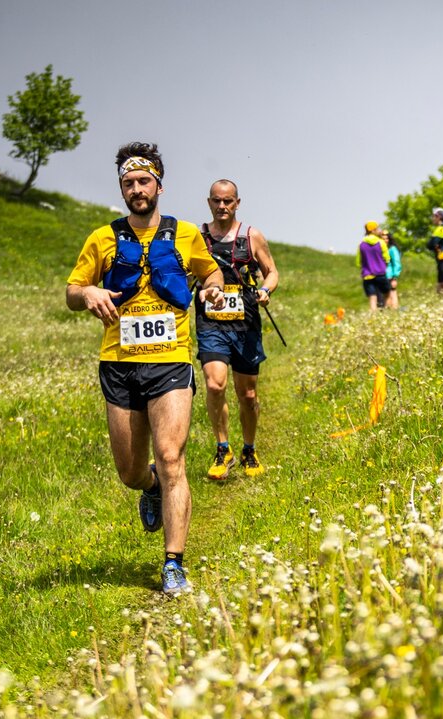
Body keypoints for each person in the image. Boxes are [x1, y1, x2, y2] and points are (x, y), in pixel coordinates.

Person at [65, 142, 225, 596]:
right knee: (131, 472)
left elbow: (210, 273)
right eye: (129, 183)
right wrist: (88, 294)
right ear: (122, 189)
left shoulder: (186, 234)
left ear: (159, 185)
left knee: (172, 457)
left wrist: (212, 289)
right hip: (119, 365)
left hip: (171, 360)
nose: (137, 189)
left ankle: (174, 564)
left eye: (144, 181)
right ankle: (149, 485)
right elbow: (72, 291)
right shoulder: (102, 239)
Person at [197, 179, 279, 480]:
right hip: (211, 323)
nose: (222, 206)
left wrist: (266, 290)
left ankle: (249, 449)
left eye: (228, 201)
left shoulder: (251, 235)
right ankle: (223, 449)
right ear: (209, 202)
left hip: (246, 323)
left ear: (237, 203)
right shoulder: (198, 237)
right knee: (215, 385)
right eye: (217, 201)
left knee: (247, 394)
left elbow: (271, 272)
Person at [356, 221, 390, 310]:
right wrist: (384, 265)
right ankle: (387, 311)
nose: (379, 230)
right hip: (380, 274)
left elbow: (358, 262)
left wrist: (364, 267)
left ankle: (373, 315)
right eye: (377, 229)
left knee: (372, 298)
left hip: (367, 275)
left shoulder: (361, 244)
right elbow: (387, 258)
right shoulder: (381, 242)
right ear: (373, 230)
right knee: (387, 293)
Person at [381, 229, 402, 309]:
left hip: (390, 275)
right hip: (382, 275)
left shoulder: (392, 249)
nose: (385, 240)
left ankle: (393, 310)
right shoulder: (381, 249)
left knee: (392, 293)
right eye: (383, 239)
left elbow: (396, 263)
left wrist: (394, 277)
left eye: (386, 238)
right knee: (385, 295)